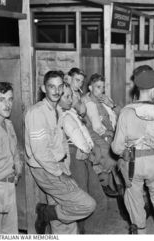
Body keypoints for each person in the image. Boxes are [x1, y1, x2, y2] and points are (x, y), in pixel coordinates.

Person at [25, 70, 96, 234]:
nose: (56, 91)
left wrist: (66, 166)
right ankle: (46, 213)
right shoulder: (36, 112)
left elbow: (61, 142)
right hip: (46, 170)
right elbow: (40, 153)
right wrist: (60, 173)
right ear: (44, 88)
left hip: (59, 165)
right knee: (87, 204)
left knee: (63, 215)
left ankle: (53, 215)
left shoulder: (57, 110)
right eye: (51, 87)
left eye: (59, 87)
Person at [111, 70, 154, 234]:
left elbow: (116, 147)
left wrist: (124, 152)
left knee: (134, 198)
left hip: (133, 163)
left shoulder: (126, 112)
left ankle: (140, 231)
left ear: (137, 87)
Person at [58, 83, 107, 234]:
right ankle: (82, 232)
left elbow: (83, 131)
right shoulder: (60, 115)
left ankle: (93, 233)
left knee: (98, 199)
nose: (70, 99)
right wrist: (85, 149)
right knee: (83, 200)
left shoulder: (71, 112)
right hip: (74, 156)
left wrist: (88, 148)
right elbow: (71, 134)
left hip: (83, 154)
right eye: (66, 96)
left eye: (71, 96)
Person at [0, 82, 22, 234]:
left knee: (10, 234)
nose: (7, 104)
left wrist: (18, 165)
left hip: (9, 188)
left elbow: (14, 151)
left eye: (10, 99)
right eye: (1, 99)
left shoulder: (8, 124)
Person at [82, 73, 122, 197]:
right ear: (90, 88)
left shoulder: (105, 99)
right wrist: (110, 134)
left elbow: (120, 115)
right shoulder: (86, 102)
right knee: (107, 154)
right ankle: (103, 184)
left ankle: (119, 186)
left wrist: (112, 105)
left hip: (112, 133)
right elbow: (94, 127)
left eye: (103, 87)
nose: (101, 90)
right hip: (95, 136)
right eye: (98, 87)